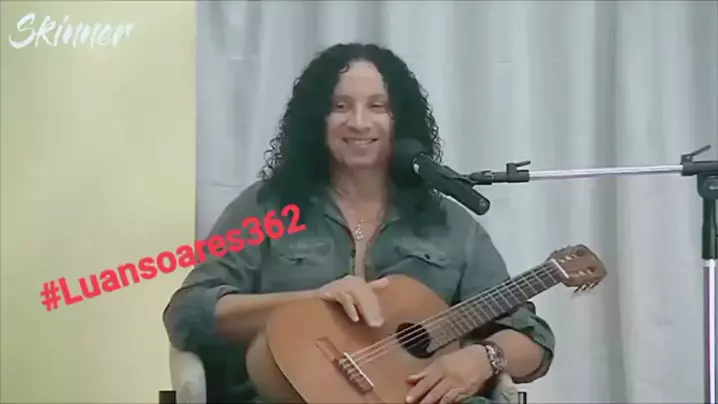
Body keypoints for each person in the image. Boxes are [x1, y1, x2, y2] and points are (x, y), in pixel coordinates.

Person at [163, 43, 555, 404]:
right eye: (340, 106)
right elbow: (189, 313)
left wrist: (486, 357)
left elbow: (531, 335)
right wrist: (308, 303)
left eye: (378, 106)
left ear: (400, 120)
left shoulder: (449, 224)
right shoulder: (264, 208)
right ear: (317, 120)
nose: (359, 122)